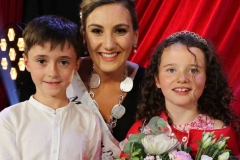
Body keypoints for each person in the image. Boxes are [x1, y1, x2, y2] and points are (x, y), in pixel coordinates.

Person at [121, 30, 240, 158]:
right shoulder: (142, 130)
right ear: (157, 79)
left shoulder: (221, 134)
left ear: (207, 78)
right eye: (171, 70)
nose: (182, 78)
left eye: (193, 70)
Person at [0, 15, 102, 160]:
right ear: (27, 63)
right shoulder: (10, 119)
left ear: (76, 66)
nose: (52, 72)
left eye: (64, 62)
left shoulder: (89, 121)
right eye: (42, 61)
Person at [66, 0, 145, 158]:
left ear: (135, 36)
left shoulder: (154, 85)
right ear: (84, 36)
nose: (109, 45)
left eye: (120, 31)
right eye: (97, 31)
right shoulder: (61, 77)